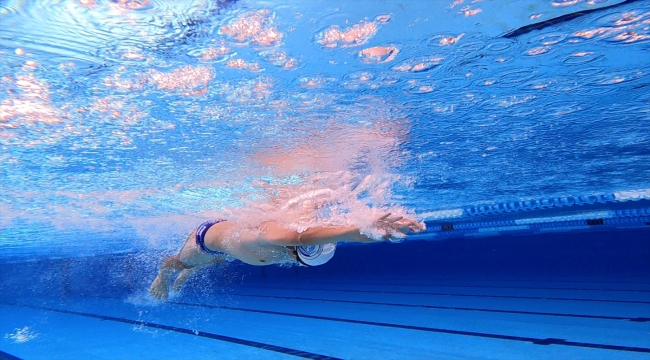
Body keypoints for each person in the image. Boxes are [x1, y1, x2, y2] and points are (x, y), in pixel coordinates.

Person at [149, 213, 424, 300]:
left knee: (223, 257)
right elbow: (302, 237)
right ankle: (163, 278)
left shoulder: (284, 249)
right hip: (205, 240)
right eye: (299, 260)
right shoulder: (276, 237)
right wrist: (363, 228)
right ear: (297, 252)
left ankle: (189, 272)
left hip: (228, 248)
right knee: (179, 263)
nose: (295, 264)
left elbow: (326, 237)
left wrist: (375, 235)